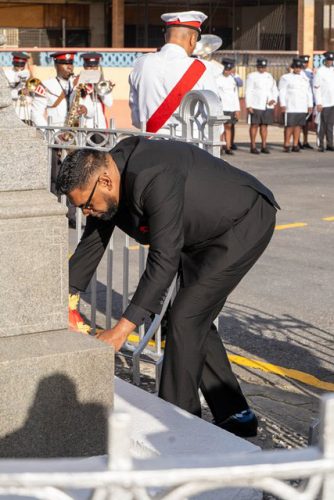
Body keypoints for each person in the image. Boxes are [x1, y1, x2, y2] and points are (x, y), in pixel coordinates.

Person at [56, 136, 279, 438]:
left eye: (86, 204)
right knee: (189, 318)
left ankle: (178, 429)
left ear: (105, 181)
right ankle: (236, 415)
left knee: (186, 317)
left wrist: (121, 331)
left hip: (242, 222)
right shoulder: (110, 176)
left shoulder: (153, 175)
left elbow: (163, 260)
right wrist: (65, 300)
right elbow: (94, 241)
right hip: (199, 233)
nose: (84, 213)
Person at [129, 10, 219, 134]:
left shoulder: (141, 63)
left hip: (149, 146)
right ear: (193, 39)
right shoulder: (203, 68)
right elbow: (215, 119)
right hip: (188, 148)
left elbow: (136, 119)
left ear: (166, 37)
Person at [279, 58, 313, 153]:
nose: (298, 69)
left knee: (298, 126)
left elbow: (308, 92)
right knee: (289, 126)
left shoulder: (304, 78)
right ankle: (286, 144)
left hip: (301, 106)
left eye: (299, 68)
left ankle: (295, 144)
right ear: (293, 68)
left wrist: (309, 105)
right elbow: (282, 91)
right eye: (296, 67)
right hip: (290, 106)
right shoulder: (286, 77)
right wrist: (283, 104)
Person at [245, 58, 278, 154]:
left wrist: (274, 99)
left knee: (264, 126)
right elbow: (248, 91)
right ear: (257, 67)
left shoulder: (269, 76)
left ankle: (264, 145)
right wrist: (249, 105)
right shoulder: (252, 76)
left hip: (267, 105)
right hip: (256, 104)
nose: (261, 69)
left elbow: (274, 89)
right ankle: (253, 146)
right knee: (254, 125)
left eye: (263, 67)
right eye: (260, 67)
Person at [79, 52, 114, 130]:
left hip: (100, 124)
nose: (92, 70)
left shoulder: (104, 81)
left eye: (95, 67)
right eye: (89, 67)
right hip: (85, 124)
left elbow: (109, 103)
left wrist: (99, 89)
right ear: (84, 66)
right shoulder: (79, 82)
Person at [217, 59, 240, 155]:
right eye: (226, 69)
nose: (227, 71)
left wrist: (237, 109)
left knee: (229, 127)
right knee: (220, 128)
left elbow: (235, 95)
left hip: (230, 107)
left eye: (229, 69)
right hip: (221, 107)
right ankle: (220, 147)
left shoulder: (233, 80)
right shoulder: (217, 79)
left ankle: (228, 147)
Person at [313, 51, 334, 152]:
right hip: (324, 102)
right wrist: (319, 102)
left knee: (330, 124)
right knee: (322, 125)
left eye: (331, 60)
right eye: (328, 60)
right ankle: (320, 144)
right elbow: (316, 88)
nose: (330, 62)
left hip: (332, 102)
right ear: (324, 60)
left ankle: (330, 144)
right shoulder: (320, 71)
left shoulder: (333, 70)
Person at [3, 51, 32, 124]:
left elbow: (33, 87)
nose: (19, 66)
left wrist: (30, 90)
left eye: (22, 64)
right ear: (13, 62)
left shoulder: (27, 73)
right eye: (17, 64)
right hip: (12, 108)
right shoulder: (7, 74)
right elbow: (5, 92)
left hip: (25, 109)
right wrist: (19, 92)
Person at [299, 54, 315, 149]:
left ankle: (305, 141)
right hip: (299, 102)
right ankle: (297, 141)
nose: (304, 64)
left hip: (309, 102)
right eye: (303, 62)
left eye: (306, 62)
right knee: (298, 123)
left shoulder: (310, 73)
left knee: (306, 123)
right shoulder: (296, 72)